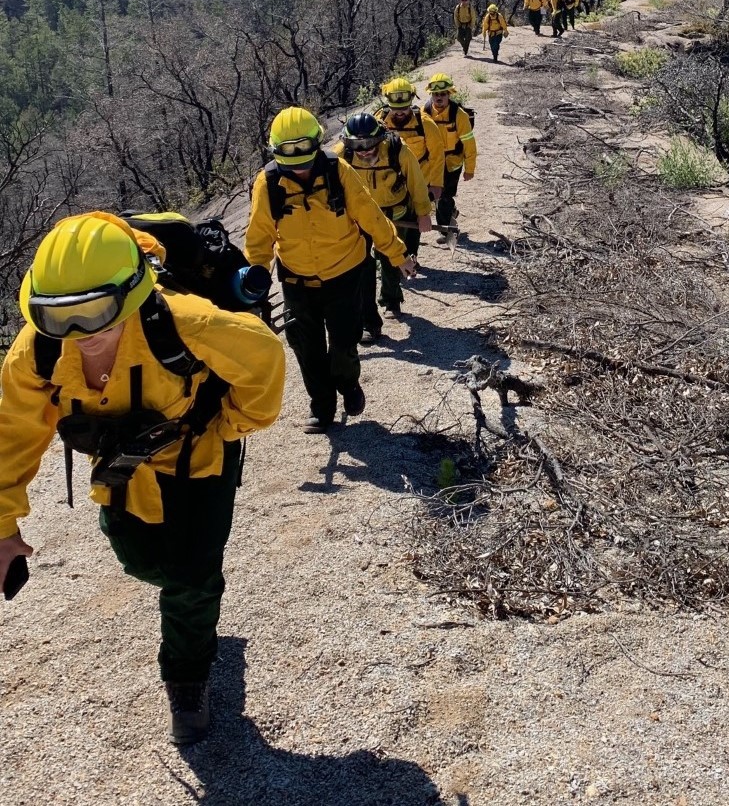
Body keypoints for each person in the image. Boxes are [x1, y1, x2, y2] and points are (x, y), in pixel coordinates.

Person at [0, 211, 285, 746]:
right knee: (140, 561)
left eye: (98, 314)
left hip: (200, 462)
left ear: (131, 296)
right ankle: (191, 607)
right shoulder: (35, 352)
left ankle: (187, 674)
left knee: (190, 576)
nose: (80, 335)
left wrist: (232, 424)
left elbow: (264, 356)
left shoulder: (186, 322)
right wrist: (2, 523)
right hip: (122, 473)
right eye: (60, 318)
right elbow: (11, 433)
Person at [244, 106, 415, 433]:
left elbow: (372, 217)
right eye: (292, 162)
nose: (301, 171)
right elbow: (259, 238)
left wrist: (398, 254)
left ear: (317, 145)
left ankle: (348, 383)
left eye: (306, 161)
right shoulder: (267, 184)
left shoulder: (339, 172)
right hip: (297, 279)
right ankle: (321, 407)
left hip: (344, 274)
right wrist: (256, 283)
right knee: (306, 348)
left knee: (343, 342)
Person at [335, 112, 432, 339]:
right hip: (358, 219)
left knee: (391, 258)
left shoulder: (399, 151)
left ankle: (391, 299)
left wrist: (423, 213)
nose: (365, 150)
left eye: (370, 143)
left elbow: (416, 182)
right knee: (361, 266)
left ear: (380, 139)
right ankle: (368, 321)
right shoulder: (341, 158)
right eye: (358, 144)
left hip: (394, 213)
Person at [375, 77, 445, 203]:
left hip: (420, 181)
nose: (400, 112)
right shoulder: (379, 121)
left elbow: (437, 155)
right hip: (389, 183)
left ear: (411, 101)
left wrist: (436, 184)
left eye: (404, 108)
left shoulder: (425, 124)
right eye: (395, 109)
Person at [423, 73, 477, 234]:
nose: (439, 97)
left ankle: (445, 231)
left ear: (449, 94)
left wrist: (469, 169)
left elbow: (469, 144)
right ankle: (451, 212)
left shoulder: (459, 115)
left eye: (443, 93)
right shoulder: (424, 113)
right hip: (431, 163)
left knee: (444, 197)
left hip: (452, 164)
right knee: (429, 195)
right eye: (435, 94)